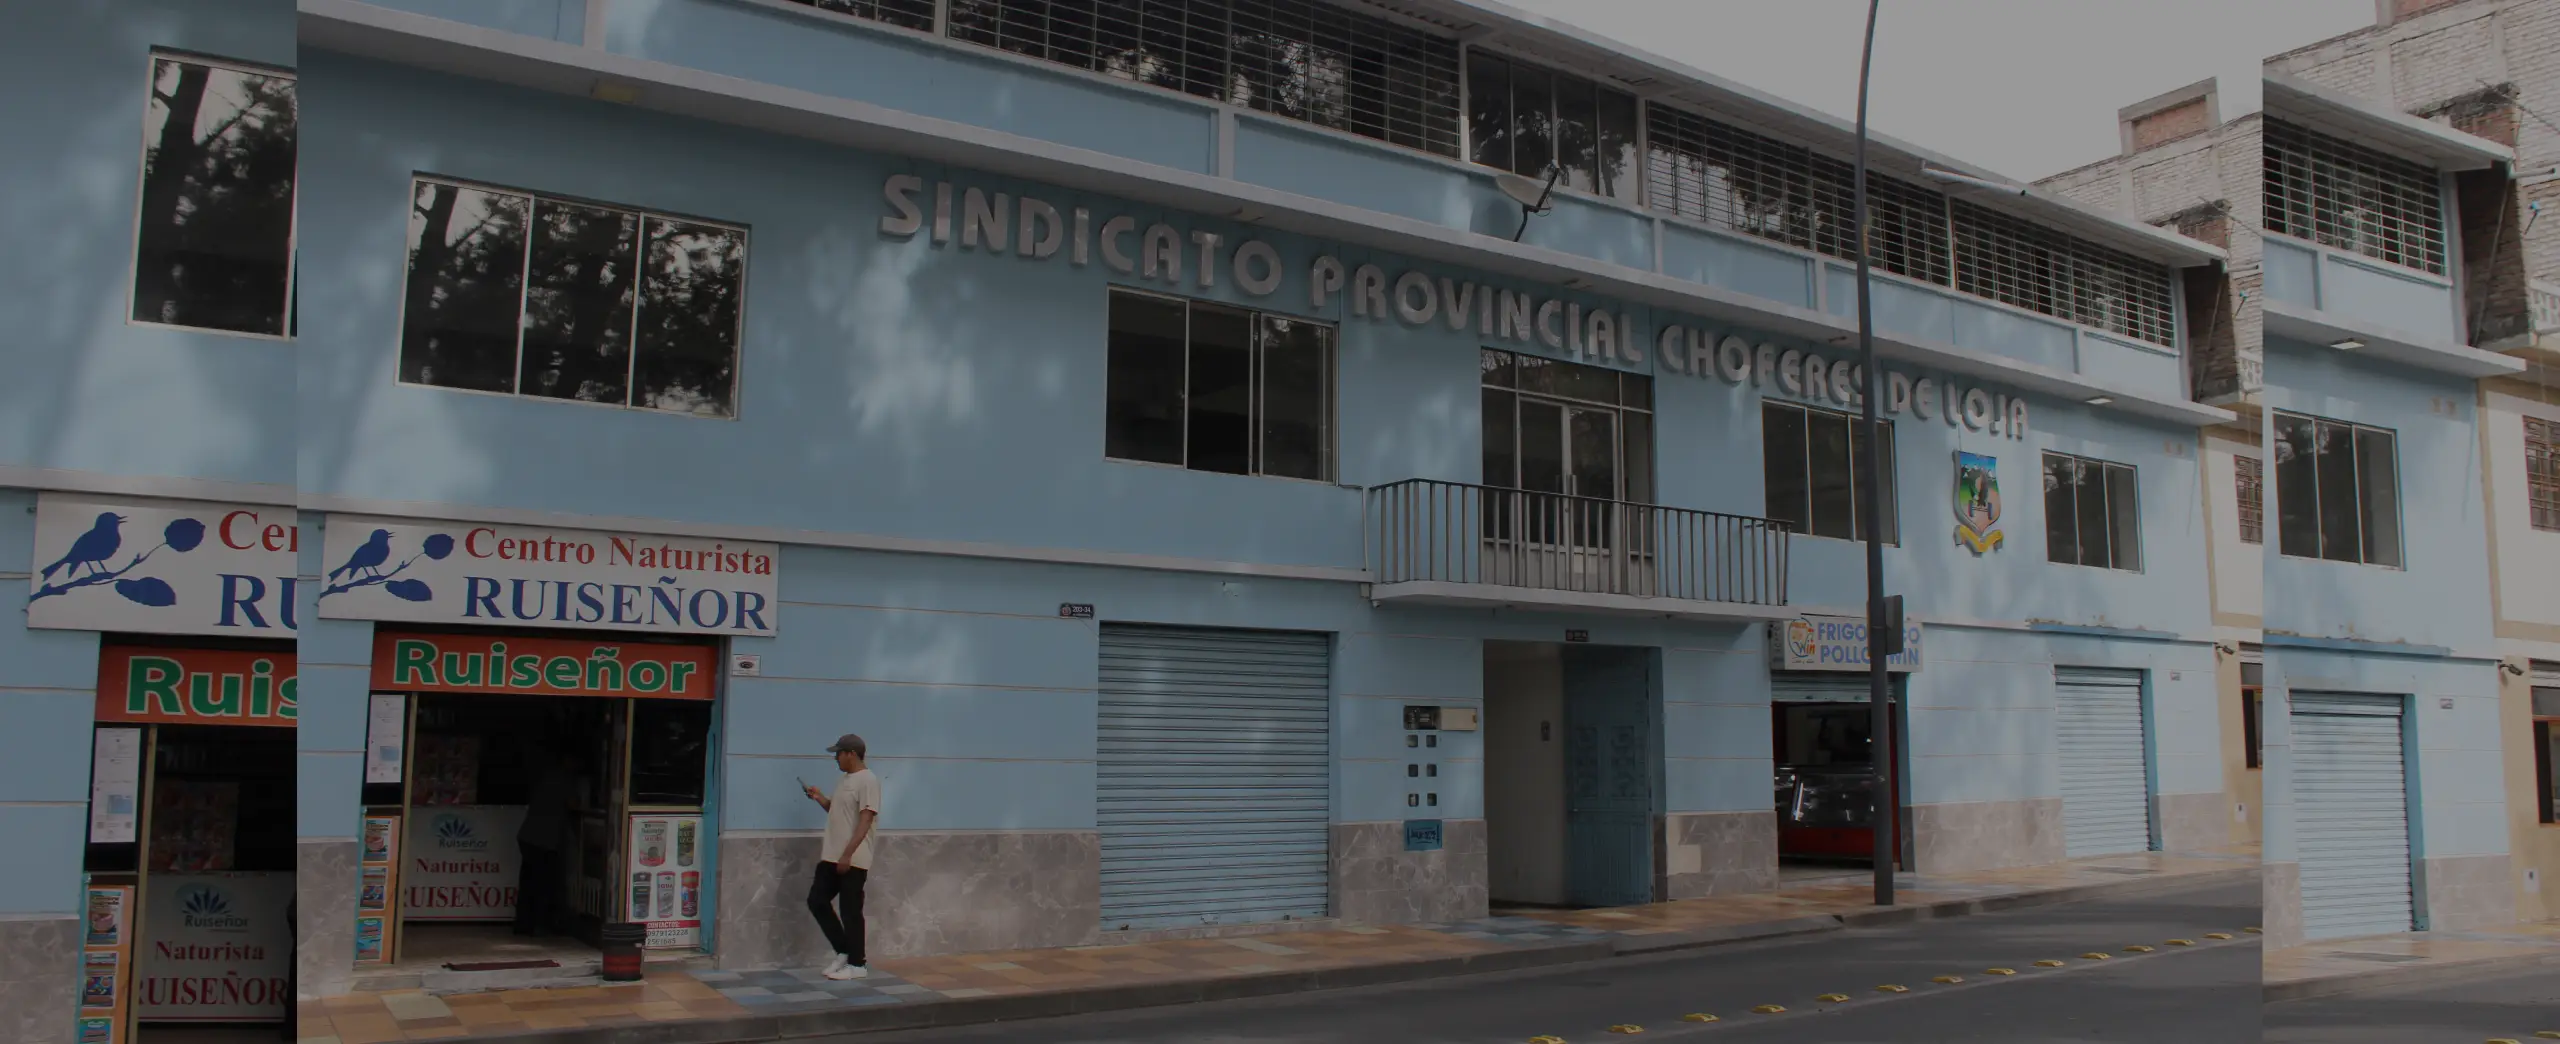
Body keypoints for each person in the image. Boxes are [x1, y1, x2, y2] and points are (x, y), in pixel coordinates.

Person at [802, 733, 882, 980]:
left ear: (852, 754)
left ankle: (858, 965)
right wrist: (819, 798)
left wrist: (848, 854)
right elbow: (836, 811)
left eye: (838, 753)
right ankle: (844, 951)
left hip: (853, 858)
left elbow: (865, 820)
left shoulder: (868, 781)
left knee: (850, 910)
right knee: (817, 901)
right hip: (832, 855)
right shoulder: (844, 779)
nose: (835, 758)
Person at [514, 727, 576, 937]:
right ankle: (543, 923)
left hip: (529, 836)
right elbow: (573, 804)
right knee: (544, 884)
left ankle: (524, 924)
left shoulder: (545, 775)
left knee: (528, 881)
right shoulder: (564, 779)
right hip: (544, 839)